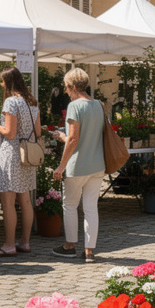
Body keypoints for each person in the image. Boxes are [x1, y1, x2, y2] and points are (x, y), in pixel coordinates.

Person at [50, 68, 106, 261]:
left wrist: (61, 166)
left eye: (66, 87)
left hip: (78, 165)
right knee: (91, 208)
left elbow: (74, 139)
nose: (66, 91)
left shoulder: (74, 106)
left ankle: (70, 245)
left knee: (70, 205)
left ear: (73, 86)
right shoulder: (99, 105)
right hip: (97, 164)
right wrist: (64, 137)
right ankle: (89, 250)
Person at [0, 67, 39, 257]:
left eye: (2, 81)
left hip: (12, 154)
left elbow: (10, 133)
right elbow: (38, 132)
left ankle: (8, 245)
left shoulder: (11, 102)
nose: (0, 84)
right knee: (25, 200)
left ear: (8, 82)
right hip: (27, 155)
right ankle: (25, 242)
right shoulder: (32, 102)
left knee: (8, 202)